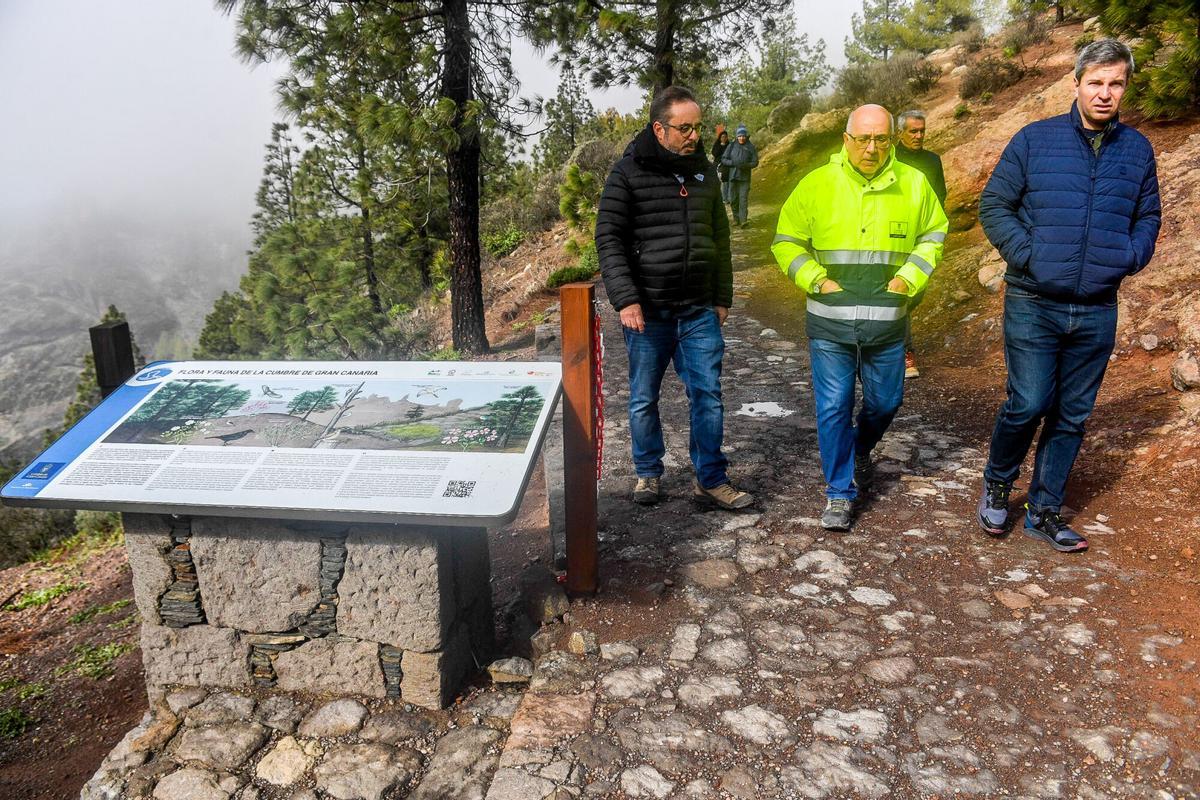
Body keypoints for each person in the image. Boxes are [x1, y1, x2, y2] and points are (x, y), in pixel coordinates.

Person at [976, 39, 1160, 553]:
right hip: (1034, 300)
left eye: (1115, 83)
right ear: (1076, 84)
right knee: (1029, 402)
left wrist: (1128, 256)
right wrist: (1029, 255)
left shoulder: (1137, 149)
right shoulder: (1035, 139)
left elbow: (1148, 215)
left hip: (1098, 306)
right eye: (1095, 82)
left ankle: (1044, 510)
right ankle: (998, 481)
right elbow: (995, 205)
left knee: (1072, 414)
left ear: (1125, 88)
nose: (1105, 93)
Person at [772, 104, 948, 531]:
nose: (871, 148)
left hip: (887, 321)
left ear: (892, 139)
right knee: (834, 405)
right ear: (846, 140)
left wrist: (908, 279)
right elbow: (786, 241)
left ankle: (859, 448)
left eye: (881, 139)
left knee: (887, 402)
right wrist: (816, 279)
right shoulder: (816, 184)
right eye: (863, 138)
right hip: (830, 321)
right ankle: (839, 491)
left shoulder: (914, 183)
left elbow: (934, 235)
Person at [595, 85, 753, 511]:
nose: (694, 136)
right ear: (659, 129)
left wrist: (722, 296)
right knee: (643, 398)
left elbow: (719, 236)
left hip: (698, 309)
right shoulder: (627, 172)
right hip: (648, 312)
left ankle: (710, 479)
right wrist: (626, 300)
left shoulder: (704, 171)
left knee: (708, 395)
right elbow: (608, 238)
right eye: (685, 128)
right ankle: (648, 472)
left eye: (697, 127)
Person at [894, 109, 948, 379]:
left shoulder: (932, 161)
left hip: (922, 238)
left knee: (916, 293)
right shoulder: (889, 157)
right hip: (893, 237)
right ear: (899, 133)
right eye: (913, 131)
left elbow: (940, 197)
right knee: (900, 294)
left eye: (921, 131)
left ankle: (884, 338)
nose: (918, 136)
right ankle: (906, 354)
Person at [721, 125, 759, 227]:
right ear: (737, 136)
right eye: (739, 136)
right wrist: (732, 163)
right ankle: (736, 219)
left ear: (746, 136)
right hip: (733, 177)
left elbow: (755, 161)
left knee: (743, 199)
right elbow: (724, 159)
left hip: (744, 178)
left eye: (743, 136)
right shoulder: (732, 146)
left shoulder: (750, 147)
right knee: (733, 199)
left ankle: (743, 221)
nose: (741, 138)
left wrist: (746, 165)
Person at [711, 129, 732, 205]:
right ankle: (719, 198)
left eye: (725, 137)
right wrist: (721, 146)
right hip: (717, 165)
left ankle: (727, 198)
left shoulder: (729, 145)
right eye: (722, 137)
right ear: (720, 138)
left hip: (726, 166)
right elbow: (714, 153)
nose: (724, 138)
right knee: (718, 182)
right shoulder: (717, 145)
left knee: (727, 182)